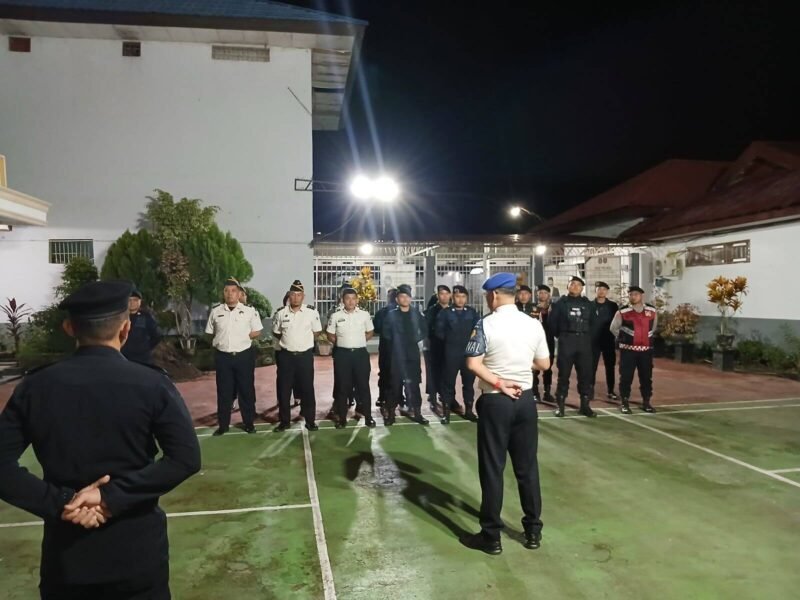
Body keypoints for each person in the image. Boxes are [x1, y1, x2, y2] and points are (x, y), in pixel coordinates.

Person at [0, 280, 200, 598]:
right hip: (137, 557)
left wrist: (61, 502)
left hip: (67, 558)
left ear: (69, 328)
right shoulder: (152, 384)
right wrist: (110, 498)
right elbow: (185, 458)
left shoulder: (35, 387)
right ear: (126, 329)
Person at [460, 272, 551, 555]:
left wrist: (499, 382)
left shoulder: (485, 324)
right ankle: (533, 531)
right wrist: (521, 365)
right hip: (525, 401)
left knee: (493, 469)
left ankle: (491, 536)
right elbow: (544, 364)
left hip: (496, 401)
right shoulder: (533, 324)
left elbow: (473, 364)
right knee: (527, 467)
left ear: (494, 295)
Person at [205, 277, 263, 435]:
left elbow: (257, 331)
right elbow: (210, 333)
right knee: (224, 392)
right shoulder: (216, 312)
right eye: (227, 291)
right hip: (223, 357)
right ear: (223, 293)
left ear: (239, 294)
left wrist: (242, 338)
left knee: (246, 390)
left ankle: (249, 423)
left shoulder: (249, 311)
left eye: (233, 291)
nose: (230, 294)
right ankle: (223, 425)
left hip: (243, 356)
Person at [272, 279, 322, 432]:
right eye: (293, 294)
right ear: (289, 296)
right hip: (286, 357)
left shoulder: (311, 312)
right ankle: (284, 421)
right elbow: (277, 333)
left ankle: (310, 420)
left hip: (304, 357)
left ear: (303, 296)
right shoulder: (281, 313)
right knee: (284, 390)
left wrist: (302, 342)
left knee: (307, 389)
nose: (295, 298)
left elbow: (317, 332)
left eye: (298, 295)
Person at [326, 287, 376, 428]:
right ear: (343, 300)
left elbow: (370, 332)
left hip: (360, 355)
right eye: (348, 298)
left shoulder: (364, 315)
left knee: (363, 386)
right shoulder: (336, 316)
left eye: (353, 298)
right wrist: (342, 343)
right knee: (343, 387)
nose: (351, 301)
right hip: (342, 355)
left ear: (357, 300)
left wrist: (358, 341)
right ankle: (342, 418)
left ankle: (368, 417)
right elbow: (330, 334)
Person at [548, 275, 596, 418]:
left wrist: (586, 337)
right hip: (566, 341)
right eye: (572, 284)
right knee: (563, 375)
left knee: (585, 375)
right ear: (567, 286)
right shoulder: (560, 304)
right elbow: (552, 323)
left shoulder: (588, 304)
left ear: (582, 288)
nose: (575, 286)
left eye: (578, 285)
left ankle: (585, 405)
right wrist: (562, 336)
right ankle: (560, 405)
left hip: (584, 342)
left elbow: (593, 323)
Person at [381, 284, 429, 425]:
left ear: (410, 298)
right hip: (396, 355)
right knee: (394, 385)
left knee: (414, 385)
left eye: (407, 296)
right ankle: (391, 414)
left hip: (412, 354)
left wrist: (415, 339)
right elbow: (386, 333)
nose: (405, 299)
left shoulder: (416, 314)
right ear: (397, 299)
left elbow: (424, 330)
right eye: (402, 296)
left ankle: (417, 413)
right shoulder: (391, 315)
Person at [436, 285, 480, 424]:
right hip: (451, 353)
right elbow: (439, 332)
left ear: (466, 298)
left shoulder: (472, 312)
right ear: (452, 298)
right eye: (457, 296)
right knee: (448, 384)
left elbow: (478, 330)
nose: (460, 299)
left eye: (463, 297)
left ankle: (469, 411)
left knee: (469, 384)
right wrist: (451, 341)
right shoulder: (445, 313)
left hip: (468, 354)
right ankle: (446, 413)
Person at [610, 286, 658, 413]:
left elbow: (653, 327)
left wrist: (644, 338)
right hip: (628, 351)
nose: (633, 296)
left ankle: (646, 402)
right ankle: (624, 402)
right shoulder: (623, 311)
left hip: (646, 351)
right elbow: (613, 328)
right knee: (626, 377)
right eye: (631, 294)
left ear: (641, 296)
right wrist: (624, 338)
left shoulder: (652, 310)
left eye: (636, 294)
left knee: (646, 377)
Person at [424, 284, 452, 412]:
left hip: (449, 348)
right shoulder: (432, 311)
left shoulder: (453, 310)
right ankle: (433, 397)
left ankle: (447, 397)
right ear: (437, 296)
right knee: (433, 373)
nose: (444, 296)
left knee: (447, 373)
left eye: (446, 293)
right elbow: (428, 329)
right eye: (442, 294)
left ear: (450, 295)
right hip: (434, 347)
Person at [591, 281, 620, 400]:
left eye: (604, 289)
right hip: (593, 341)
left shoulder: (613, 306)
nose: (601, 291)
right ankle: (590, 390)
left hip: (608, 340)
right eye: (599, 289)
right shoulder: (589, 305)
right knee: (591, 367)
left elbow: (617, 322)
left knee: (610, 366)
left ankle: (611, 390)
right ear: (595, 290)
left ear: (607, 291)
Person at [120, 286, 161, 364]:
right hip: (123, 359)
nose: (132, 303)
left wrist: (145, 348)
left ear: (140, 302)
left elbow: (156, 336)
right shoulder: (120, 317)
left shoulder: (146, 317)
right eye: (129, 300)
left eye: (135, 300)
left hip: (142, 360)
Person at [373, 288, 398, 409]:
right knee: (398, 373)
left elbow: (376, 329)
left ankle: (382, 396)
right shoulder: (402, 311)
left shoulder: (381, 312)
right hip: (396, 348)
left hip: (386, 347)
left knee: (384, 373)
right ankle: (398, 397)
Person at [532, 284, 556, 403]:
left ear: (549, 295)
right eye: (540, 293)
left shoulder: (554, 309)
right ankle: (535, 393)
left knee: (548, 368)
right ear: (537, 295)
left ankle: (547, 392)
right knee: (534, 369)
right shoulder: (532, 308)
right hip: (535, 342)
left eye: (545, 293)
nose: (542, 295)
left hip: (549, 341)